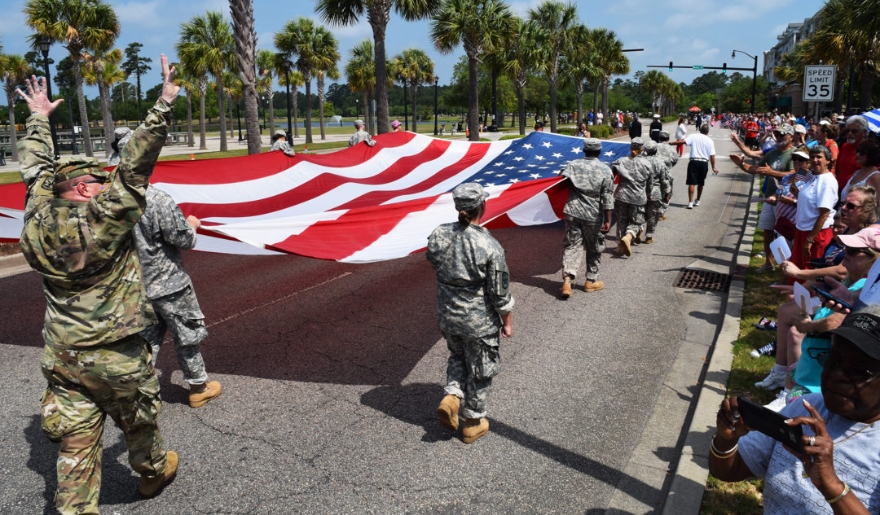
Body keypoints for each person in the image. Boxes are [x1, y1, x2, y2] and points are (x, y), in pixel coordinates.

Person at [16, 54, 180, 514]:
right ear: (86, 189)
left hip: (63, 356)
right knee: (140, 423)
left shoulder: (34, 218)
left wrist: (37, 119)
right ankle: (151, 474)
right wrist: (164, 103)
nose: (105, 185)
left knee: (74, 449)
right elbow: (135, 165)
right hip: (117, 353)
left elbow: (35, 172)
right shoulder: (102, 219)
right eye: (98, 181)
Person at [710, 305, 880, 514]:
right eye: (833, 360)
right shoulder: (805, 407)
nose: (837, 375)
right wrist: (726, 440)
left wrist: (832, 486)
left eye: (858, 371)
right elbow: (729, 471)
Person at [428, 183, 514, 444]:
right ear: (482, 207)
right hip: (478, 321)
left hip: (448, 314)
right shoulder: (488, 244)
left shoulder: (439, 234)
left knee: (457, 355)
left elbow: (432, 259)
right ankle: (473, 422)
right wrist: (507, 322)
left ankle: (453, 395)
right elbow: (500, 293)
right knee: (480, 368)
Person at [133, 186, 223, 408]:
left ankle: (139, 393)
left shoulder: (110, 199)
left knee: (145, 340)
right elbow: (183, 240)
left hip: (135, 284)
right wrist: (192, 224)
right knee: (187, 336)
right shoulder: (156, 198)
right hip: (169, 284)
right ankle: (198, 388)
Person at [731, 124, 797, 271]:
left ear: (791, 136)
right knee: (767, 230)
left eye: (782, 134)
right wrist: (742, 164)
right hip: (768, 198)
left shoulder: (794, 153)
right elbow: (756, 169)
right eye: (777, 133)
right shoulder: (772, 153)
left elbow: (794, 174)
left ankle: (785, 267)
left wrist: (771, 172)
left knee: (783, 234)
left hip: (784, 201)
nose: (779, 136)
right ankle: (768, 263)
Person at [558, 138, 614, 298]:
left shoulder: (572, 165)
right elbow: (607, 196)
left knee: (572, 246)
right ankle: (591, 280)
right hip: (593, 214)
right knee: (594, 247)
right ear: (599, 151)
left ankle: (567, 281)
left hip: (572, 212)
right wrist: (609, 218)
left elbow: (560, 179)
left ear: (584, 150)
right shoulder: (605, 169)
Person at [791, 145, 838, 272]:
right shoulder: (812, 176)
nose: (815, 160)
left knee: (809, 270)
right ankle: (794, 291)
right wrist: (796, 192)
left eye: (819, 157)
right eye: (812, 157)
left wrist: (810, 239)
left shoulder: (827, 182)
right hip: (802, 229)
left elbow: (824, 213)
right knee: (797, 267)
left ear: (827, 160)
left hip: (816, 234)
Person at [611, 137, 654, 256]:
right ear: (642, 149)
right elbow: (649, 183)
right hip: (638, 197)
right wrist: (649, 194)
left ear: (631, 148)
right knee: (637, 221)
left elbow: (611, 170)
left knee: (621, 221)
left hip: (621, 195)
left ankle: (619, 247)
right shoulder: (647, 164)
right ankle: (629, 236)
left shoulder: (621, 161)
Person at [668, 124, 718, 209]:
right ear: (708, 132)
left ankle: (690, 202)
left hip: (694, 161)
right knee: (700, 182)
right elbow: (712, 155)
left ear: (700, 130)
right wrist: (713, 167)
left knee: (692, 182)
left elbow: (682, 141)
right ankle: (697, 200)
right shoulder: (710, 140)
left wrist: (671, 143)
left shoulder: (694, 136)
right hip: (704, 162)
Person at [641, 140, 672, 244]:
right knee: (652, 215)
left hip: (640, 191)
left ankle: (637, 230)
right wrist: (667, 193)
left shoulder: (641, 160)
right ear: (655, 150)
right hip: (656, 192)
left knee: (640, 212)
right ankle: (649, 236)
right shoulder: (660, 162)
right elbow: (664, 180)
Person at [836, 115, 870, 194]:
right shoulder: (845, 146)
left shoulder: (869, 149)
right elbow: (838, 167)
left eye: (854, 131)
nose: (850, 133)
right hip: (839, 191)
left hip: (857, 194)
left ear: (864, 132)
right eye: (848, 131)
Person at [839, 140, 880, 206]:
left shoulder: (876, 177)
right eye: (857, 151)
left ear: (871, 155)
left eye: (862, 153)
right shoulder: (856, 173)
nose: (857, 154)